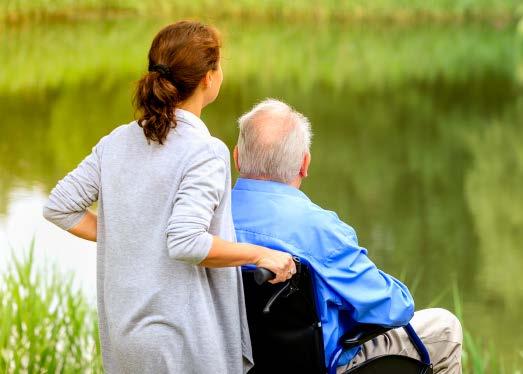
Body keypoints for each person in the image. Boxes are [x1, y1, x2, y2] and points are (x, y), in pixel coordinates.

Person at [42, 22, 295, 374]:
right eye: (219, 65)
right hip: (180, 342)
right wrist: (263, 254)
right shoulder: (205, 151)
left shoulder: (117, 141)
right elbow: (186, 242)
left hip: (126, 339)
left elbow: (59, 208)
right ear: (209, 77)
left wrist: (132, 232)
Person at [231, 99, 463, 373]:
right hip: (326, 366)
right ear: (305, 163)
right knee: (445, 328)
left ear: (236, 157)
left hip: (240, 363)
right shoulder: (319, 229)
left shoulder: (208, 226)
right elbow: (394, 309)